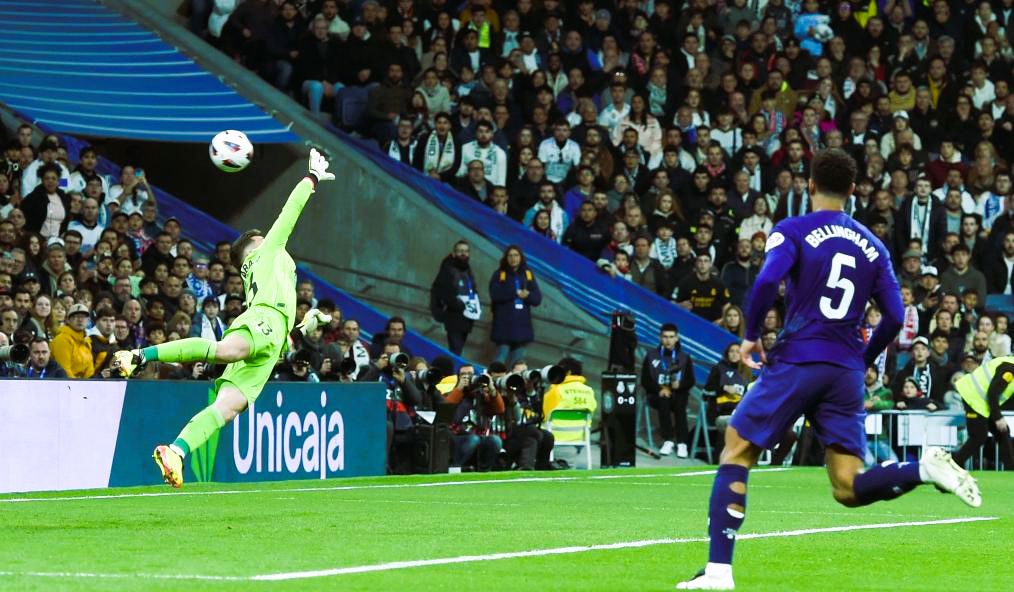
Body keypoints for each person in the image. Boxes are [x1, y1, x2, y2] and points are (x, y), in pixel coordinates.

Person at [676, 149, 981, 591]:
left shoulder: (793, 230)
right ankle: (921, 470)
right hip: (844, 372)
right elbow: (894, 316)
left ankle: (719, 572)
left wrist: (751, 335)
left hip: (800, 357)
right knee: (847, 485)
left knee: (737, 448)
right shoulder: (874, 247)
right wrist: (863, 357)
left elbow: (764, 282)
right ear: (854, 192)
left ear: (809, 185)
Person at [112, 150, 337, 489]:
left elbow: (281, 322)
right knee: (223, 351)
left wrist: (306, 325)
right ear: (255, 245)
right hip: (264, 322)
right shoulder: (266, 251)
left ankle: (176, 450)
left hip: (272, 335)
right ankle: (140, 355)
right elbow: (289, 214)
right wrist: (311, 178)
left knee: (227, 409)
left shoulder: (267, 267)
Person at [641, 322, 696, 457]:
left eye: (671, 337)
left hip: (677, 394)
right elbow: (645, 380)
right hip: (657, 394)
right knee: (663, 400)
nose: (668, 340)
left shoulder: (684, 358)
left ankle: (682, 443)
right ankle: (668, 440)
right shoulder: (651, 356)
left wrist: (680, 385)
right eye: (665, 337)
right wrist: (659, 389)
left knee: (679, 403)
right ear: (660, 338)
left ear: (677, 338)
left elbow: (690, 381)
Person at [950, 355, 1014, 471]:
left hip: (982, 401)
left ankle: (1011, 471)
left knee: (1003, 432)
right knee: (978, 436)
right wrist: (998, 417)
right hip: (972, 397)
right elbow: (993, 393)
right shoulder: (1010, 369)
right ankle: (951, 465)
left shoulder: (1010, 363)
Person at [488, 244, 541, 365]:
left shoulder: (528, 274)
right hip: (503, 326)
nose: (513, 258)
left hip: (521, 328)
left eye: (516, 255)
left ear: (521, 257)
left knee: (518, 364)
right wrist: (514, 293)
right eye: (510, 255)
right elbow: (494, 294)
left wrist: (527, 295)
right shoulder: (500, 274)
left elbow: (537, 299)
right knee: (499, 360)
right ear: (506, 258)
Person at [430, 240, 480, 355]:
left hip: (467, 317)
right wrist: (440, 311)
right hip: (453, 315)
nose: (463, 254)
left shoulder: (468, 270)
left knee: (458, 350)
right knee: (455, 350)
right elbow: (439, 291)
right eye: (460, 251)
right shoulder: (448, 269)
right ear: (454, 253)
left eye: (466, 251)